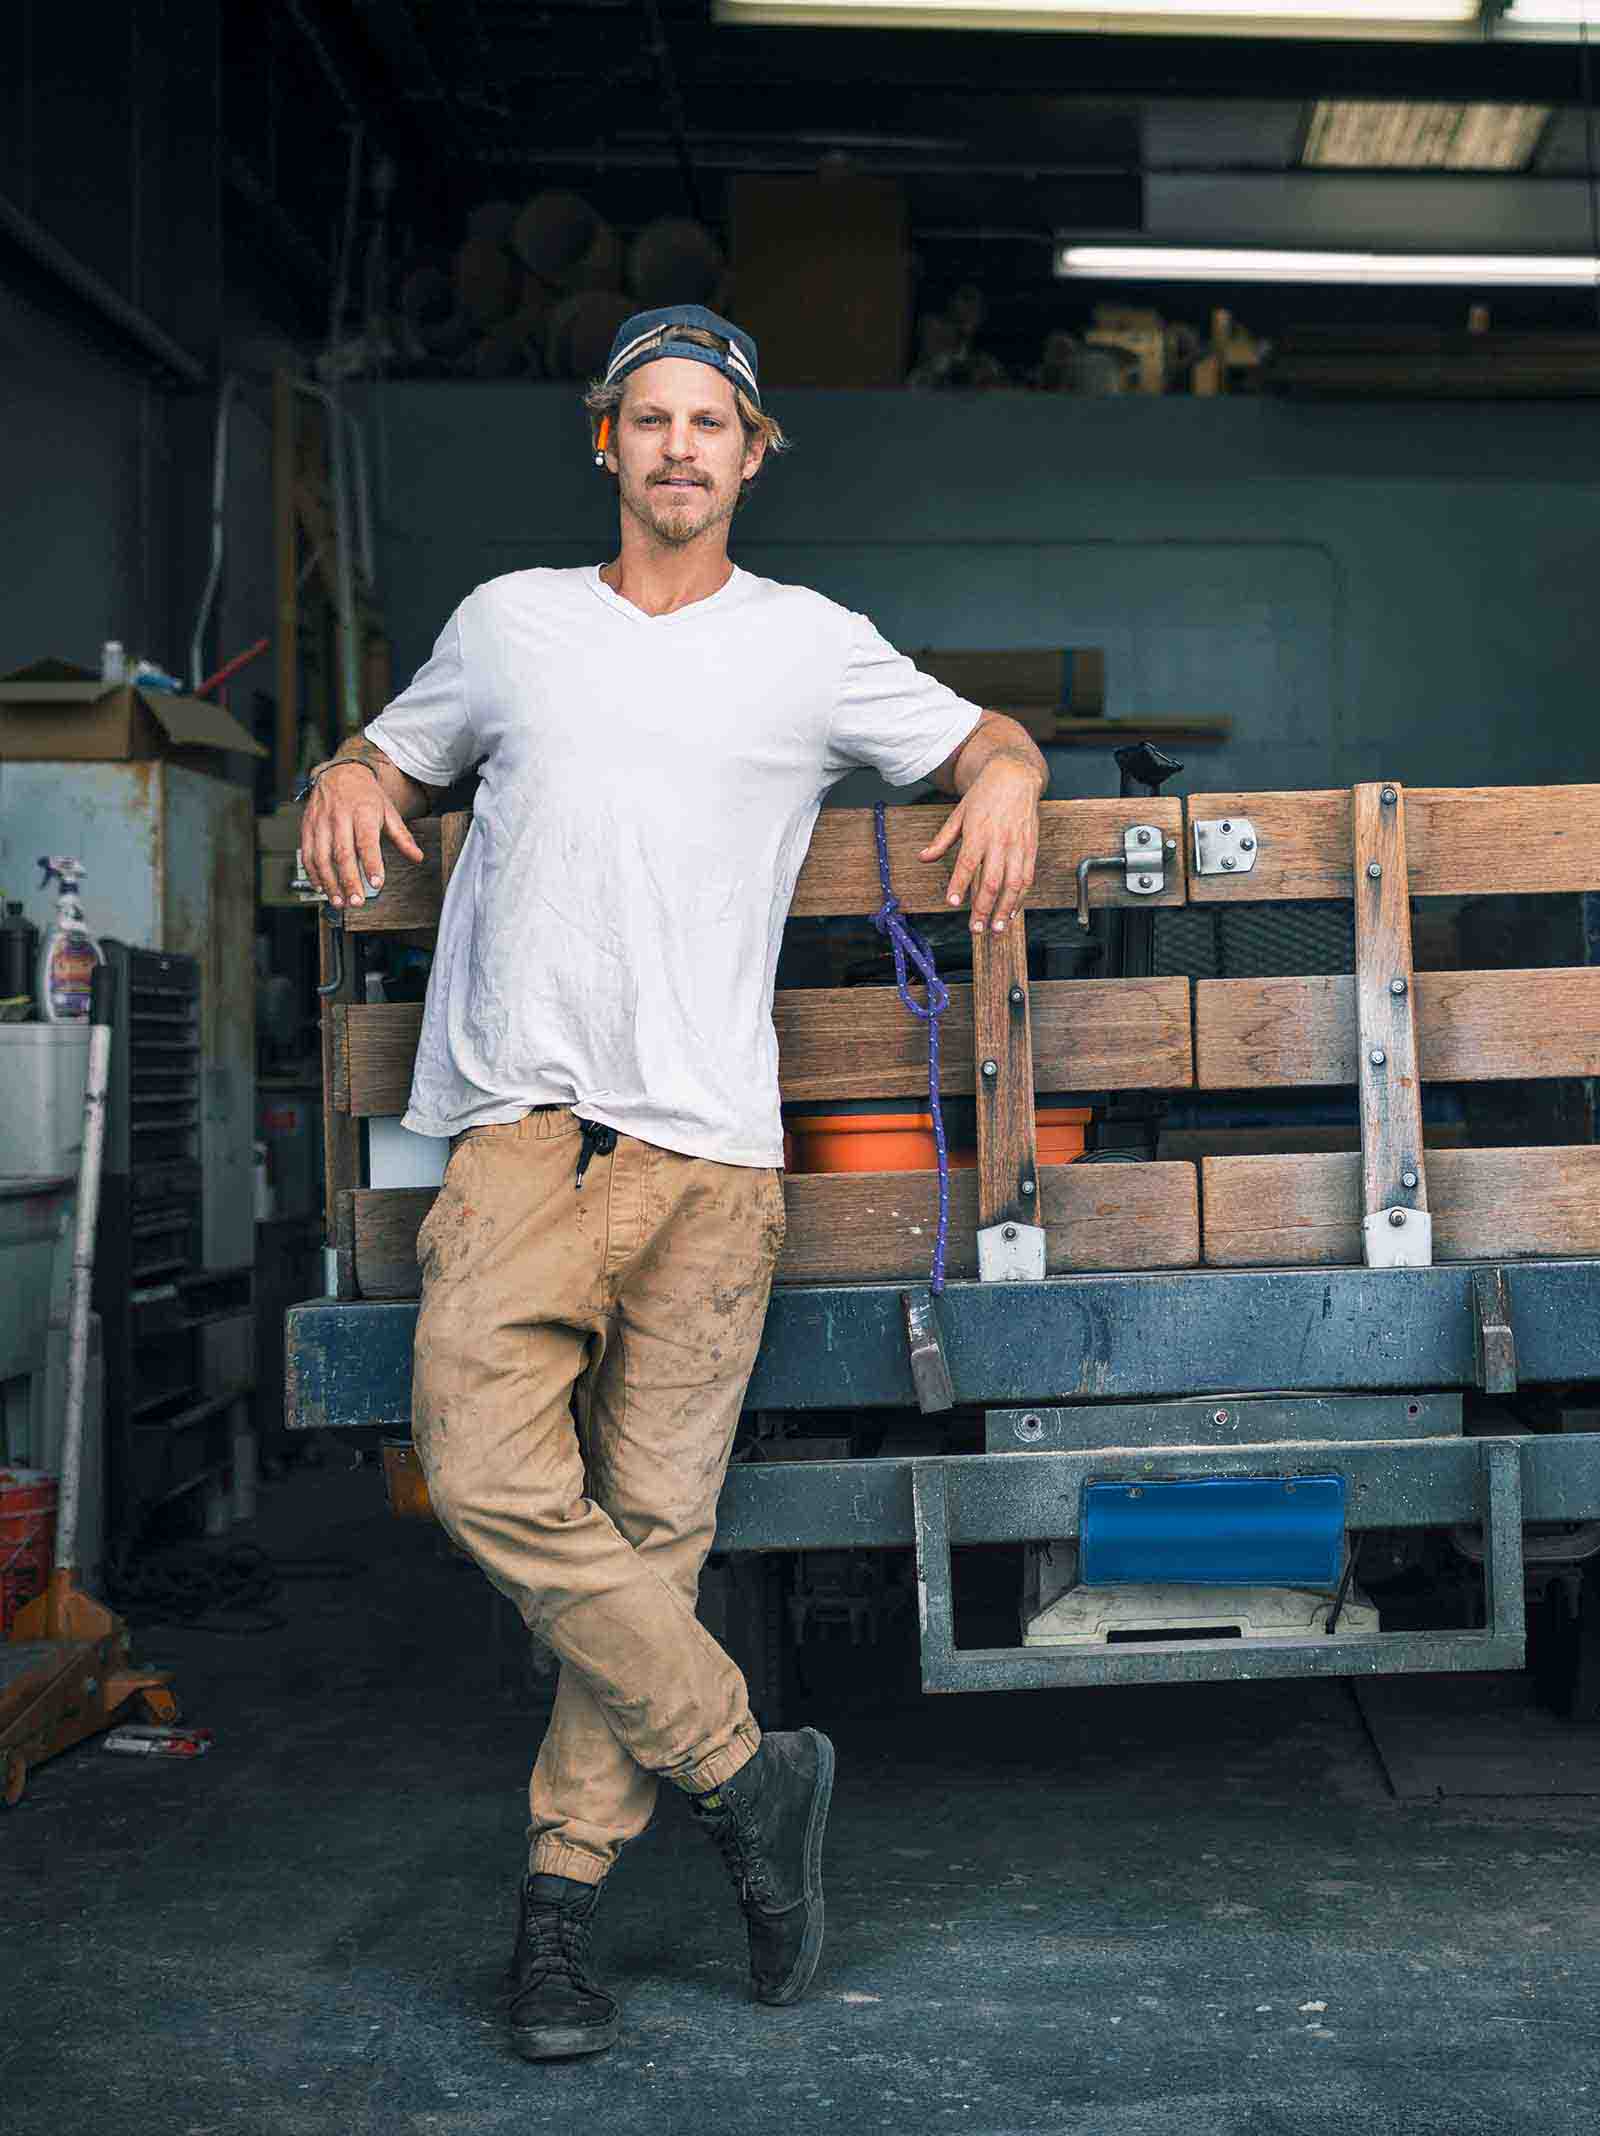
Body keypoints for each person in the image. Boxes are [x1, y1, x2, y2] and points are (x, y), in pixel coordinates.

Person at [296, 304, 1046, 2062]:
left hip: (714, 1162)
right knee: (482, 1472)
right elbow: (389, 754)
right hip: (523, 1139)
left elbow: (981, 740)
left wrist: (1006, 778)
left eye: (713, 421)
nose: (683, 447)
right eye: (652, 419)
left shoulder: (810, 647)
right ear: (606, 443)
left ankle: (554, 1924)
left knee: (643, 1551)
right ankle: (747, 1770)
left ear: (755, 449)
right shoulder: (512, 625)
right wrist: (341, 768)